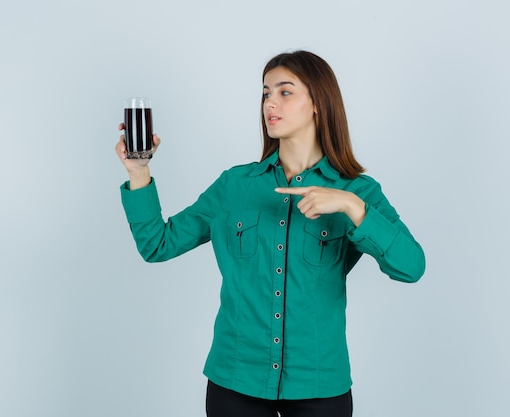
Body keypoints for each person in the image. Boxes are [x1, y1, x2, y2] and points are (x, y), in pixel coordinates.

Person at [115, 50, 425, 417]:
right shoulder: (234, 186)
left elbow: (411, 267)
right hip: (235, 382)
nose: (270, 103)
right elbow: (157, 245)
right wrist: (139, 172)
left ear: (317, 104)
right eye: (265, 93)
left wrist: (352, 208)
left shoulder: (357, 192)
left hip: (319, 386)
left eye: (284, 92)